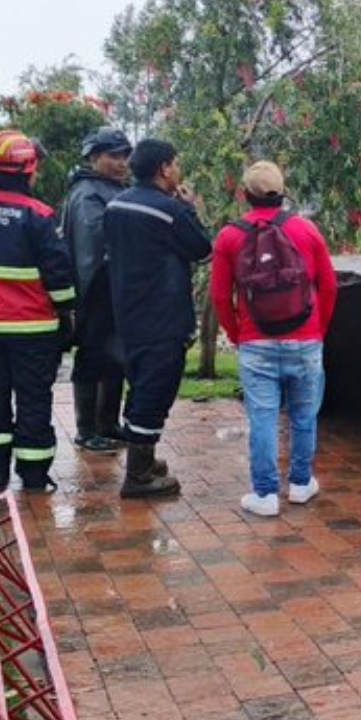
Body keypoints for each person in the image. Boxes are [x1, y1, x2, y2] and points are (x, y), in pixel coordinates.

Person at [210, 161, 338, 517]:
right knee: (303, 416)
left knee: (263, 419)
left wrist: (238, 335)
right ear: (283, 193)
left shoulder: (229, 237)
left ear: (244, 195)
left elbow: (220, 296)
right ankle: (300, 484)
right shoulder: (307, 230)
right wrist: (319, 330)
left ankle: (264, 494)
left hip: (256, 343)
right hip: (307, 340)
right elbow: (328, 286)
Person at [0, 130, 76, 492]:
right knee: (33, 398)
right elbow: (59, 277)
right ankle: (34, 477)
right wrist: (66, 316)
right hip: (31, 329)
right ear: (28, 170)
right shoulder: (37, 215)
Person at [103, 139, 212, 498]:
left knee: (140, 384)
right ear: (164, 168)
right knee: (155, 391)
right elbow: (202, 248)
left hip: (128, 313)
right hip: (163, 317)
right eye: (175, 163)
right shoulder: (169, 211)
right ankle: (138, 476)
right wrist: (190, 207)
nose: (178, 169)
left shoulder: (116, 204)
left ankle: (144, 459)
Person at [60, 127, 133, 454]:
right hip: (96, 290)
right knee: (92, 358)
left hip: (116, 290)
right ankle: (86, 429)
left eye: (124, 156)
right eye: (113, 156)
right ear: (94, 157)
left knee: (115, 358)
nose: (121, 163)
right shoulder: (89, 192)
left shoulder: (112, 188)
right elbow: (95, 246)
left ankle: (108, 423)